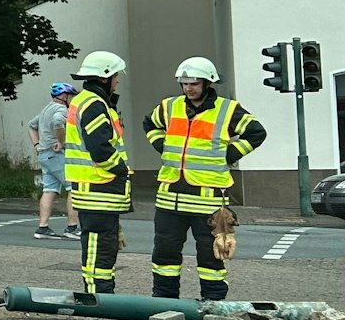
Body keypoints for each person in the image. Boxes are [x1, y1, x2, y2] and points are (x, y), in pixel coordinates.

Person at [143, 57, 266, 301]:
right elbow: (149, 124)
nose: (189, 88)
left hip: (207, 201)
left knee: (211, 255)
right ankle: (164, 299)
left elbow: (257, 132)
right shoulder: (169, 106)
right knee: (165, 254)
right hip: (169, 199)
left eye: (194, 83)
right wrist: (163, 146)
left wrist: (228, 154)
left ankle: (214, 301)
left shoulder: (227, 110)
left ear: (207, 83)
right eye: (185, 83)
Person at [63, 51, 131, 293]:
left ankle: (100, 294)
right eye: (115, 76)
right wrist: (122, 170)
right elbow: (100, 149)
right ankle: (98, 297)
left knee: (101, 246)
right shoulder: (94, 104)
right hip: (98, 188)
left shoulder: (88, 101)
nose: (118, 80)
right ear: (105, 77)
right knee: (99, 248)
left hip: (95, 188)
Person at [29, 82, 78, 240]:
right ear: (64, 96)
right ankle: (72, 228)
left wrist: (36, 144)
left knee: (49, 190)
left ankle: (42, 228)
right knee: (73, 188)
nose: (72, 99)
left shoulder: (46, 109)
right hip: (56, 155)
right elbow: (58, 122)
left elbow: (31, 125)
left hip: (44, 154)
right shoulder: (61, 109)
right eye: (71, 96)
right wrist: (62, 141)